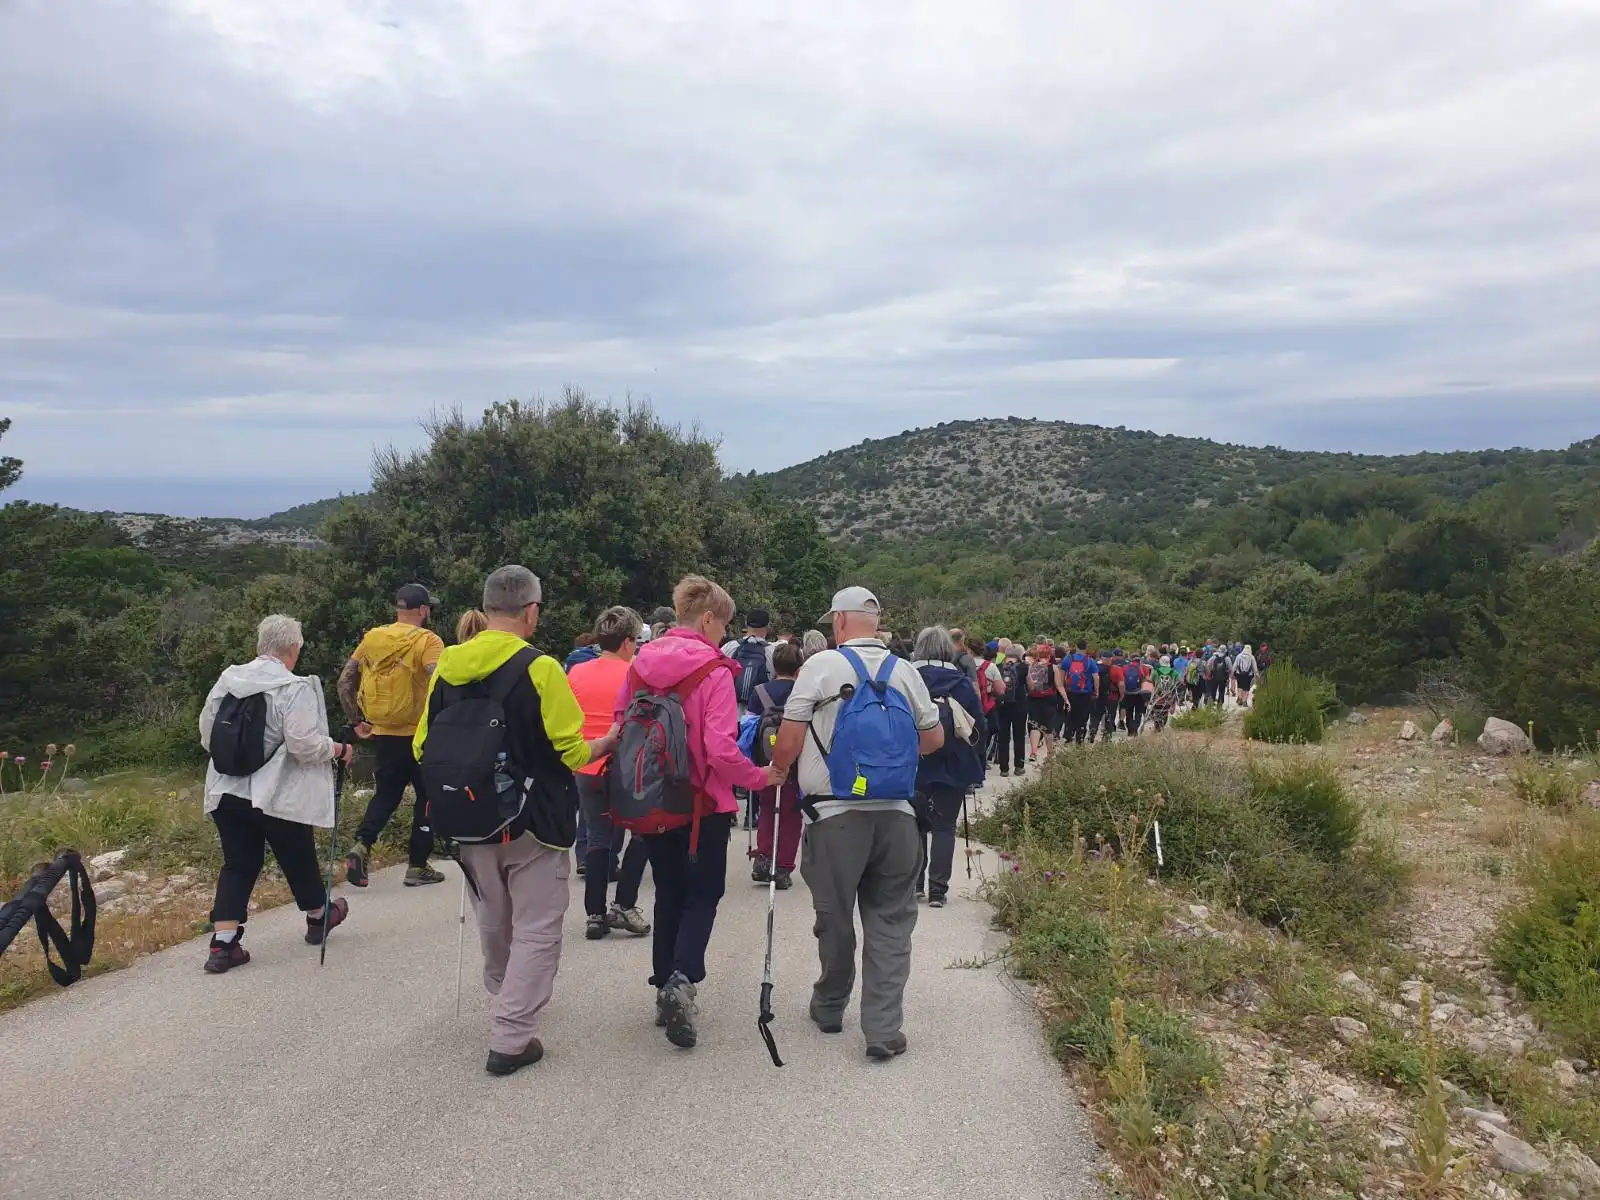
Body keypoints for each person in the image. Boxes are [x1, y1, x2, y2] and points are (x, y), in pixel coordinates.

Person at [412, 565, 616, 1076]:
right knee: (538, 926)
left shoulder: (447, 668)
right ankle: (511, 1034)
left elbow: (422, 745)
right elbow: (569, 752)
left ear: (483, 612)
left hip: (466, 815)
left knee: (494, 918)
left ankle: (506, 995)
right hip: (534, 820)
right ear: (532, 611)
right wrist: (607, 743)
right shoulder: (541, 668)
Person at [767, 586, 944, 1060]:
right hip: (897, 815)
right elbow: (932, 741)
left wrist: (780, 767)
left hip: (834, 815)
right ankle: (884, 1030)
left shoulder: (820, 667)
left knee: (834, 916)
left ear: (839, 622)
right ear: (877, 621)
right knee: (890, 920)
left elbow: (788, 739)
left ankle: (828, 1007)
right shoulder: (905, 672)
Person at [616, 575, 770, 1050]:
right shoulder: (714, 671)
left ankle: (662, 982)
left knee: (667, 892)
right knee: (704, 893)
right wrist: (761, 778)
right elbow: (721, 749)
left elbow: (623, 724)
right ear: (707, 619)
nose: (724, 635)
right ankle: (681, 981)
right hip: (704, 805)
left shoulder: (640, 664)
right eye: (722, 626)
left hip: (652, 797)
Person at [198, 614, 354, 973]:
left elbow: (208, 734)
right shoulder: (294, 686)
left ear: (260, 644)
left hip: (225, 789)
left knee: (238, 864)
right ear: (293, 648)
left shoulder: (228, 680)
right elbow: (304, 745)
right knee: (296, 852)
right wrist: (339, 749)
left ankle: (223, 946)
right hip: (275, 791)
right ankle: (318, 918)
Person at [338, 583, 446, 890]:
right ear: (423, 610)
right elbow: (440, 682)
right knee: (427, 797)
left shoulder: (372, 638)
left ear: (398, 609)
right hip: (421, 735)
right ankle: (417, 865)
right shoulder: (429, 641)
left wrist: (356, 721)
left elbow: (345, 679)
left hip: (384, 732)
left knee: (386, 793)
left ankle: (362, 844)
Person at [567, 606, 652, 939]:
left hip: (587, 764)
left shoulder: (577, 672)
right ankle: (624, 904)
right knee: (643, 833)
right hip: (626, 766)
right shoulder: (636, 675)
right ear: (629, 642)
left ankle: (594, 914)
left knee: (598, 839)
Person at [909, 627, 985, 908]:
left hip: (912, 764)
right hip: (952, 764)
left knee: (914, 825)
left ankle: (914, 884)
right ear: (946, 649)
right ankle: (938, 891)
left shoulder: (905, 678)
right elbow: (978, 725)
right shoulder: (960, 682)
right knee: (944, 827)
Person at [749, 640, 806, 889]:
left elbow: (748, 726)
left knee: (767, 807)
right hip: (796, 759)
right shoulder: (804, 691)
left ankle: (763, 857)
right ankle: (783, 866)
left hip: (765, 759)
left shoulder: (759, 691)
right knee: (791, 814)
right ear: (798, 668)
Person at [721, 606, 775, 707]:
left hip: (730, 710)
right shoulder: (773, 652)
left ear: (746, 624)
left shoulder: (730, 647)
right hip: (759, 713)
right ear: (768, 627)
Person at [991, 642, 1029, 777]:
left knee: (1003, 737)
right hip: (1020, 705)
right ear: (1020, 655)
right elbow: (1030, 686)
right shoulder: (1024, 667)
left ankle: (1004, 768)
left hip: (1002, 705)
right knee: (1019, 735)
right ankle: (1019, 766)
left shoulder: (998, 666)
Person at [1024, 639, 1059, 761]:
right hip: (1049, 699)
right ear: (1050, 654)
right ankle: (1050, 754)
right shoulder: (1053, 668)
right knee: (1048, 728)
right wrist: (1066, 699)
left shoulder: (1031, 665)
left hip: (1033, 699)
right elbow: (1059, 685)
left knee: (1035, 726)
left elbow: (1028, 683)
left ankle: (1033, 752)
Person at [1059, 639, 1098, 745]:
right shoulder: (1090, 660)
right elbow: (1096, 677)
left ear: (1076, 647)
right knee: (1083, 716)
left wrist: (1062, 689)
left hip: (1070, 692)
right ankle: (1080, 737)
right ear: (1086, 647)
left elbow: (1061, 676)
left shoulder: (1068, 659)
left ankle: (1069, 735)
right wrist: (1096, 691)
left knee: (1070, 714)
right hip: (1085, 692)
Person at [1121, 651, 1150, 736]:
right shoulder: (1144, 668)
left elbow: (1122, 680)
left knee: (1129, 712)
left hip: (1127, 693)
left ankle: (1130, 730)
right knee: (1138, 712)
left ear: (1130, 659)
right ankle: (1135, 729)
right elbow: (1147, 681)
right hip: (1139, 694)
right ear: (1139, 659)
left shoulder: (1125, 667)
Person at [1232, 643, 1259, 708]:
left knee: (1240, 686)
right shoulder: (1251, 657)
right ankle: (1245, 701)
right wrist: (1257, 674)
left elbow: (1235, 665)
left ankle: (1240, 698)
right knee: (1246, 688)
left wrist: (1232, 672)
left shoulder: (1239, 656)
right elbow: (1254, 667)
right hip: (1248, 675)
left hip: (1239, 674)